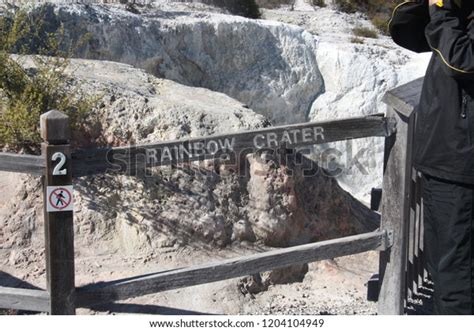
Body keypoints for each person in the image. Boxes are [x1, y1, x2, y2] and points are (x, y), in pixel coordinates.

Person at [390, 0, 474, 314]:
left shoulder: (453, 18)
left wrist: (443, 11)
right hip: (443, 160)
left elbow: (463, 60)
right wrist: (433, 6)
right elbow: (406, 32)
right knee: (441, 267)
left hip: (462, 165)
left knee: (457, 276)